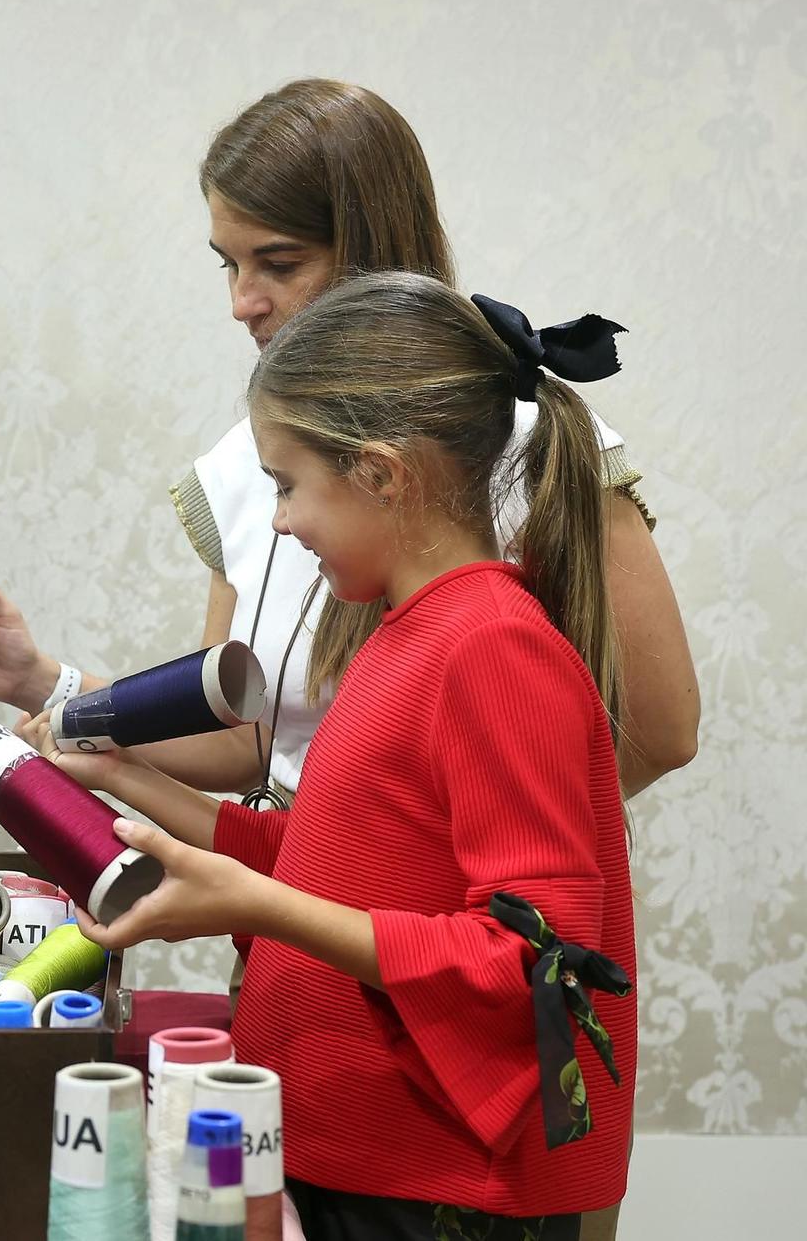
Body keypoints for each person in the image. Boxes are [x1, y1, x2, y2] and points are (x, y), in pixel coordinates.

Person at [39, 271, 638, 1238]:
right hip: (359, 1163)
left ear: (382, 473)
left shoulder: (492, 646)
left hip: (437, 1188)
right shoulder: (399, 635)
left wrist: (252, 905)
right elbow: (320, 868)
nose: (277, 520)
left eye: (285, 485)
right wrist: (121, 777)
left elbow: (532, 959)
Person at [0, 80, 698, 805]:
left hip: (448, 934)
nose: (241, 302)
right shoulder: (244, 467)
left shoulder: (530, 439)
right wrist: (43, 681)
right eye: (228, 264)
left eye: (279, 262)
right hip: (282, 922)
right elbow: (245, 738)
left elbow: (658, 732)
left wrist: (437, 861)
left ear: (374, 247)